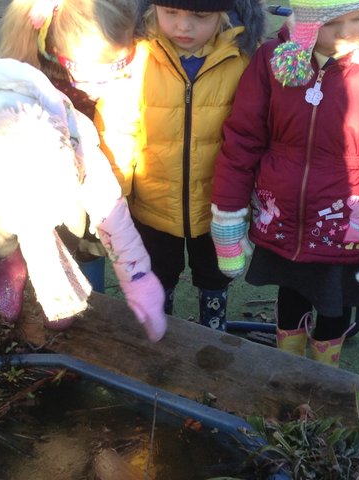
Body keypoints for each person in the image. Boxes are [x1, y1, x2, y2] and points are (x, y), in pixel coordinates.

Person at [0, 0, 167, 378]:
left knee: (78, 229)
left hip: (58, 178)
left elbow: (110, 210)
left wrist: (138, 279)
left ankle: (63, 284)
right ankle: (11, 272)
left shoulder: (72, 137)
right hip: (3, 190)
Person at [210, 0, 359, 366]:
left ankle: (326, 374)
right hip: (282, 216)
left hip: (343, 225)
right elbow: (243, 137)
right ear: (307, 22)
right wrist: (228, 213)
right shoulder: (273, 59)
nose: (346, 33)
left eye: (358, 19)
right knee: (290, 295)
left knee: (335, 304)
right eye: (332, 23)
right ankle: (288, 368)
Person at [111, 0, 265, 330]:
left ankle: (213, 330)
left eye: (199, 16)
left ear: (224, 16)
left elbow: (251, 134)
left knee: (214, 274)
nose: (183, 26)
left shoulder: (240, 62)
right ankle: (158, 324)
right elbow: (119, 125)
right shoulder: (139, 57)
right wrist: (117, 190)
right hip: (153, 203)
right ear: (152, 11)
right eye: (171, 14)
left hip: (216, 208)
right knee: (158, 271)